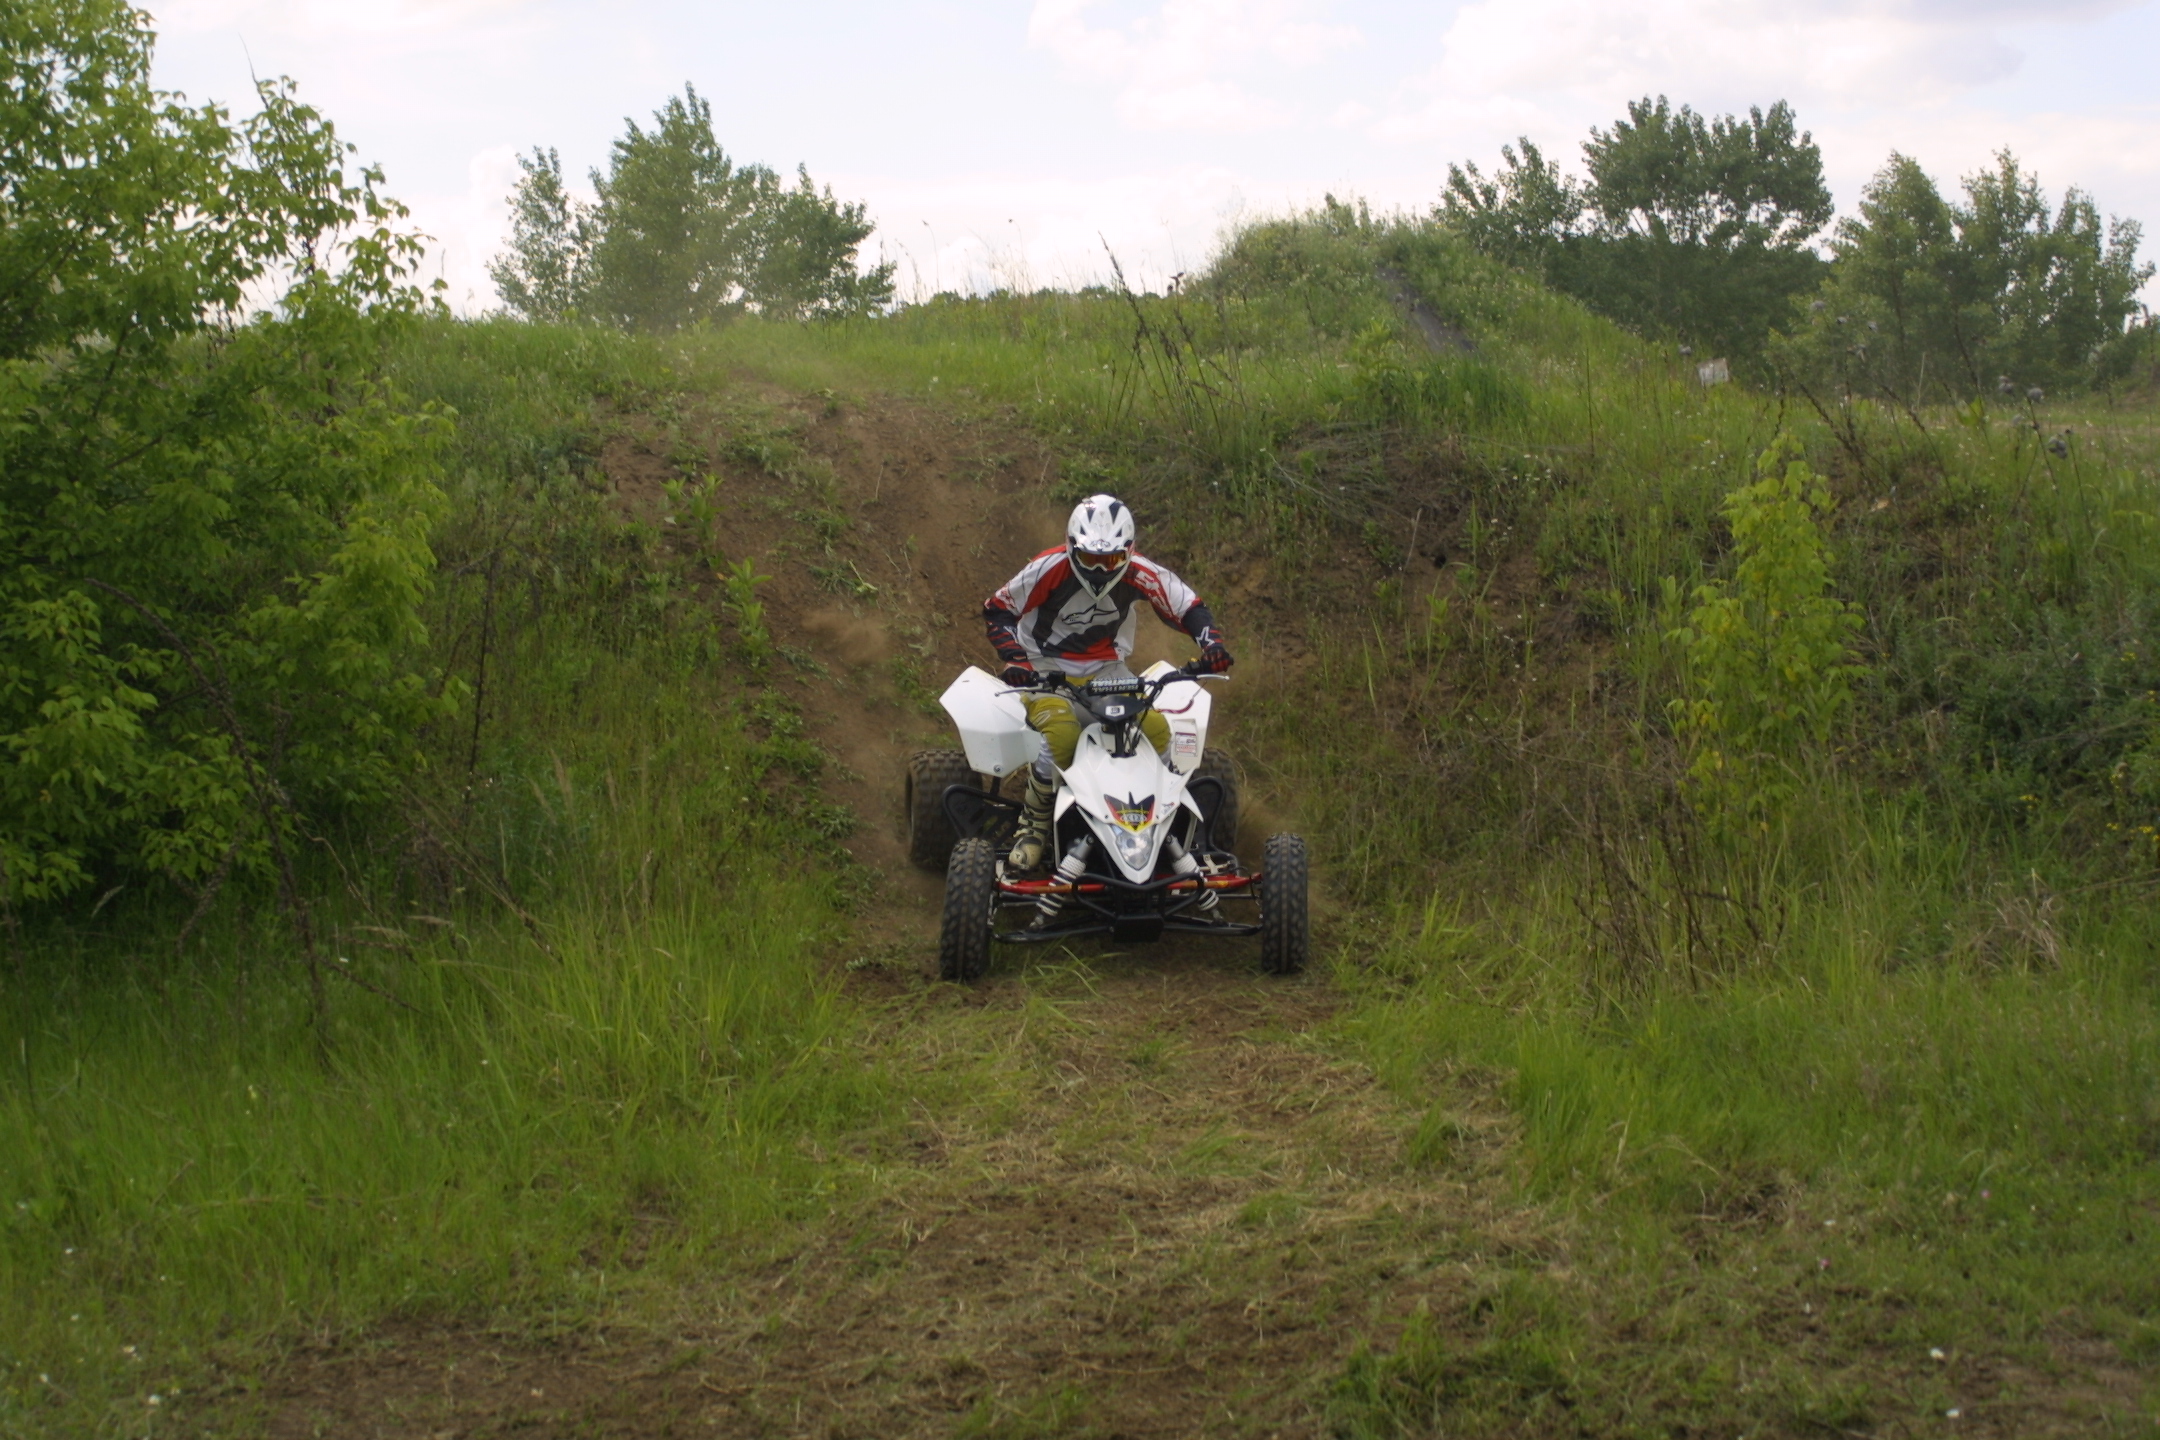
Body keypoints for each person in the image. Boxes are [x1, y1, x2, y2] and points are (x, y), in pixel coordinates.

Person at [984, 494, 1233, 871]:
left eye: (1112, 560)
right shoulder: (1048, 568)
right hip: (1043, 667)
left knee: (1156, 731)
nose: (1101, 570)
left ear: (1129, 552)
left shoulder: (1141, 571)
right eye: (1090, 559)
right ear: (1072, 548)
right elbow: (998, 609)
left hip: (1107, 668)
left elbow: (1187, 606)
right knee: (1062, 735)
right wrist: (1016, 660)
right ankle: (1033, 826)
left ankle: (1170, 827)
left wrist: (1211, 644)